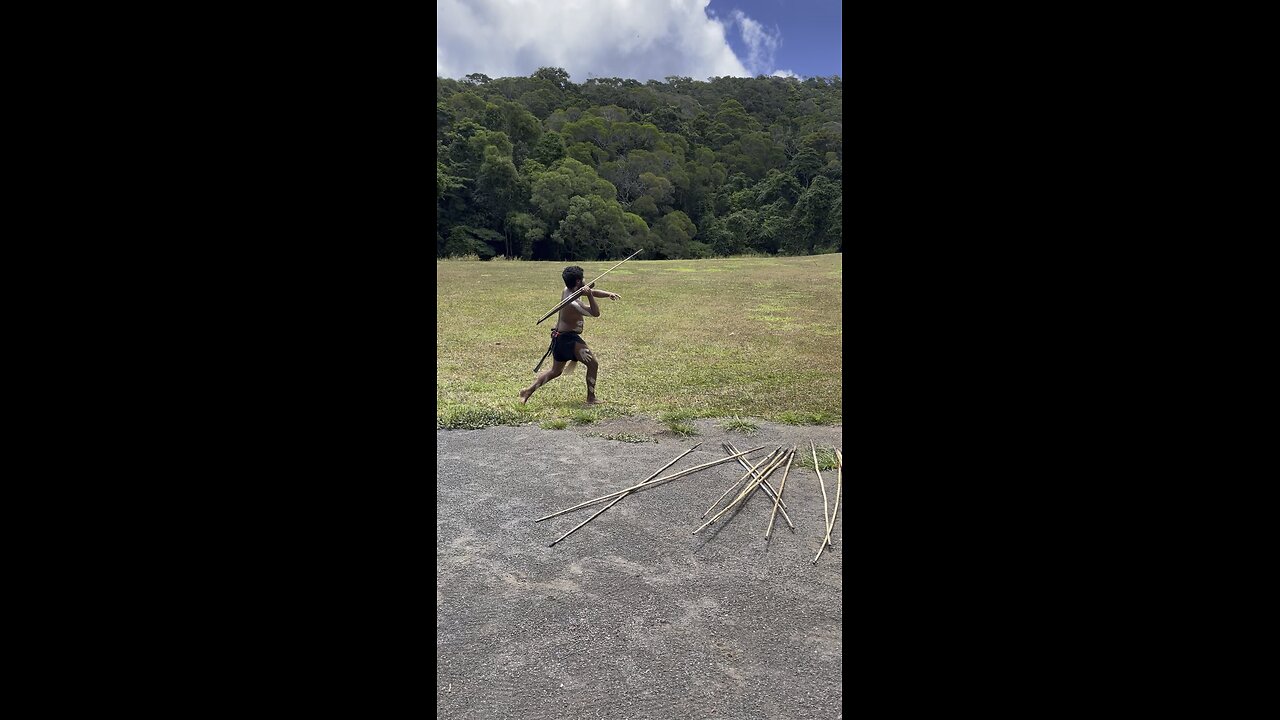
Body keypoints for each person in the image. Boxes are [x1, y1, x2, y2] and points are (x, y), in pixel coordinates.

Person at [520, 265, 620, 405]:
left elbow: (590, 290)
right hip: (568, 340)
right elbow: (595, 313)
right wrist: (590, 295)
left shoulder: (568, 290)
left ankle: (527, 391)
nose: (585, 280)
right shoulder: (573, 303)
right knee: (593, 364)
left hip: (560, 338)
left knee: (555, 371)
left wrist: (607, 294)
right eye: (583, 278)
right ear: (578, 281)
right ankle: (591, 398)